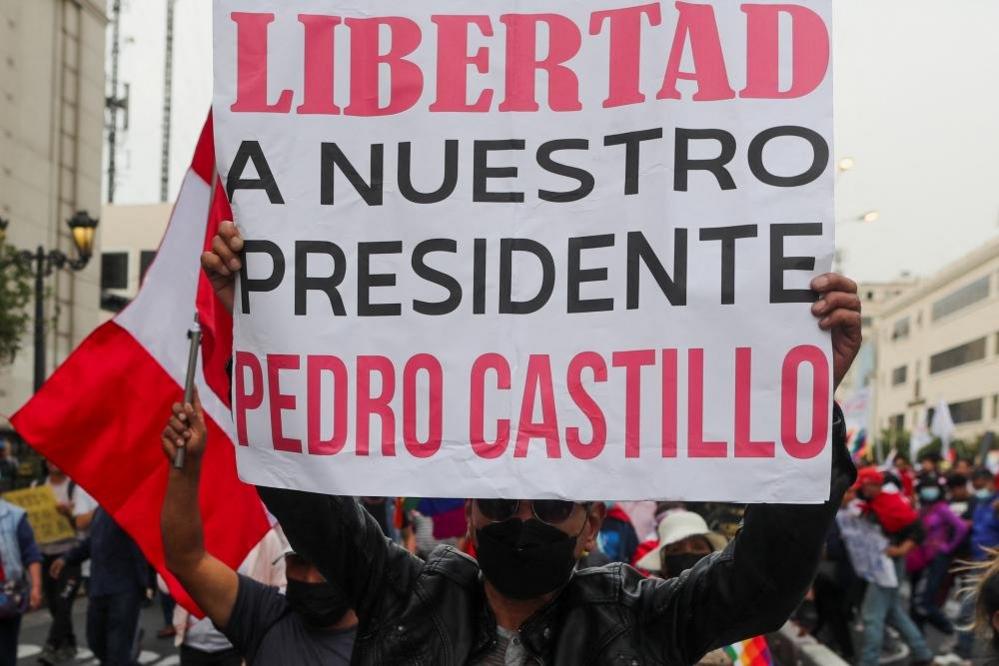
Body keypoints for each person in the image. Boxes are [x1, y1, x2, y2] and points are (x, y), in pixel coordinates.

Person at [202, 222, 863, 663]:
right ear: (470, 513)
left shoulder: (642, 620)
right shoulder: (404, 596)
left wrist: (805, 410)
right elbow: (301, 492)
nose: (522, 522)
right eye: (500, 504)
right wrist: (254, 325)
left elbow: (763, 580)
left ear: (590, 524)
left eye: (548, 508)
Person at [160, 393, 357, 665]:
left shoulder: (389, 639)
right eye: (298, 563)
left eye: (323, 566)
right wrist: (186, 468)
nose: (310, 579)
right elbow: (187, 560)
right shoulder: (265, 617)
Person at [852, 466, 934, 666]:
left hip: (888, 565)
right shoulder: (873, 502)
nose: (860, 491)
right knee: (892, 612)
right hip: (881, 562)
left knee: (872, 615)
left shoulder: (890, 502)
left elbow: (918, 530)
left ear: (873, 485)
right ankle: (922, 652)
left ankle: (869, 661)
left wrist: (901, 550)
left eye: (863, 486)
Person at [51, 507, 149, 666]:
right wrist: (66, 559)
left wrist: (145, 582)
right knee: (95, 641)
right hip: (99, 586)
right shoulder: (100, 510)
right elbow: (92, 541)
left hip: (125, 588)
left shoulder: (132, 506)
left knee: (117, 650)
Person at [906, 474, 969, 638]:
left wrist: (947, 547)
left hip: (936, 559)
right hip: (920, 558)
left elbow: (961, 527)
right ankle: (917, 635)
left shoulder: (942, 508)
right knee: (916, 600)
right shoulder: (922, 507)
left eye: (932, 487)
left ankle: (950, 630)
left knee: (925, 601)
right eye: (926, 487)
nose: (929, 491)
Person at [33, 463, 83, 664]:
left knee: (64, 601)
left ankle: (52, 646)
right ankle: (69, 642)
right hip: (45, 555)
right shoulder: (37, 487)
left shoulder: (75, 488)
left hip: (71, 554)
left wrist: (68, 513)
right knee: (55, 604)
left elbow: (82, 523)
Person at [0, 497, 43, 666]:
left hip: (8, 596)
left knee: (5, 652)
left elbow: (31, 554)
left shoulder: (13, 516)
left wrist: (36, 588)